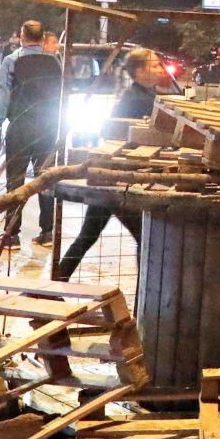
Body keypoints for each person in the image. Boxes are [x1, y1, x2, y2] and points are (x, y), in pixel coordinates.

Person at [57, 49, 166, 279]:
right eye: (155, 65)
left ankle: (53, 285)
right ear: (140, 71)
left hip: (110, 177)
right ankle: (141, 298)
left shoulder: (144, 95)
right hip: (117, 180)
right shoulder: (137, 99)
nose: (160, 69)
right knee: (145, 237)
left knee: (88, 235)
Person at [0, 20, 63, 249]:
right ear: (42, 39)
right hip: (48, 127)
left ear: (21, 37)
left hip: (21, 125)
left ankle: (11, 235)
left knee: (15, 181)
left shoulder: (12, 60)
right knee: (45, 179)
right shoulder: (55, 62)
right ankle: (48, 232)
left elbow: (4, 94)